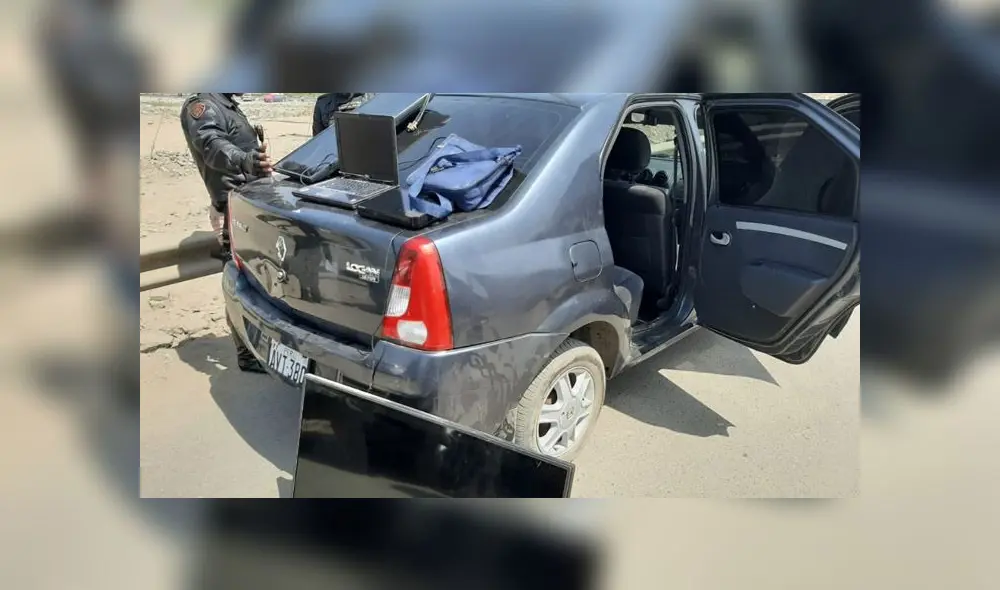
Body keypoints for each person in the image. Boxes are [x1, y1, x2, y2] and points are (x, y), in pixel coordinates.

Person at [180, 93, 273, 373]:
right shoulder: (203, 106)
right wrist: (245, 159)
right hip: (232, 207)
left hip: (247, 204)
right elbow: (211, 145)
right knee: (240, 280)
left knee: (258, 279)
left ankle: (256, 344)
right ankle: (246, 353)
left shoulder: (228, 106)